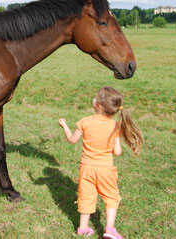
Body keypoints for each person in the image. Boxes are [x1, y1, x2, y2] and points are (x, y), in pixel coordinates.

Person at [58, 86, 143, 238]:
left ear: (100, 105)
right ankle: (110, 229)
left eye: (96, 97)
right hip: (105, 169)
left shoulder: (84, 121)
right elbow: (117, 152)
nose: (94, 99)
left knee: (86, 197)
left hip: (87, 169)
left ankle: (83, 228)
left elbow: (72, 140)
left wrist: (64, 126)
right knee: (111, 197)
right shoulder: (115, 126)